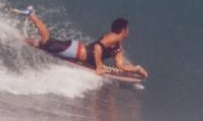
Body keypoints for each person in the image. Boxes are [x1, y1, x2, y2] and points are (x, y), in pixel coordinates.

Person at [13, 5, 148, 78]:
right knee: (46, 41)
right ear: (123, 30)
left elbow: (120, 66)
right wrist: (99, 67)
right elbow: (97, 47)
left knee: (41, 45)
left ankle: (18, 38)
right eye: (128, 29)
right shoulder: (112, 38)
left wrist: (137, 69)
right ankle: (31, 14)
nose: (129, 31)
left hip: (75, 50)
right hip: (76, 52)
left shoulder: (118, 45)